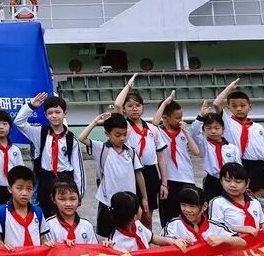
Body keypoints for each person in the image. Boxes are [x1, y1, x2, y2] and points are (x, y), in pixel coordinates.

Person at [15, 92, 84, 218]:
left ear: (65, 113)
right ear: (45, 115)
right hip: (45, 179)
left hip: (65, 179)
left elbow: (78, 169)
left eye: (57, 112)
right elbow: (19, 122)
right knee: (45, 215)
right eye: (50, 113)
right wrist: (31, 106)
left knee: (64, 214)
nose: (54, 116)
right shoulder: (40, 133)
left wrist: (79, 194)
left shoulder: (71, 139)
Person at [78, 112, 148, 238]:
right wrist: (95, 122)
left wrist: (144, 198)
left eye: (124, 134)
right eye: (117, 135)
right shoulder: (101, 148)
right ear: (107, 134)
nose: (122, 138)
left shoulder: (130, 152)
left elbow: (139, 175)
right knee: (107, 236)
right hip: (108, 202)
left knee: (129, 235)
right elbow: (82, 138)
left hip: (129, 202)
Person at [113, 74, 163, 229]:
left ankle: (146, 239)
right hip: (131, 171)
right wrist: (128, 86)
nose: (134, 108)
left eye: (138, 105)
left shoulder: (152, 129)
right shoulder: (124, 126)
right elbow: (117, 104)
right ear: (124, 109)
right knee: (132, 211)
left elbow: (161, 158)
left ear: (143, 107)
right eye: (130, 106)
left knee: (148, 213)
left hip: (150, 172)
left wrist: (164, 182)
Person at [151, 93, 202, 229]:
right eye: (177, 117)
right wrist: (164, 103)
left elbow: (196, 152)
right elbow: (154, 123)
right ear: (165, 117)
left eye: (181, 117)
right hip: (169, 179)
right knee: (169, 215)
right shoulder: (158, 132)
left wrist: (186, 132)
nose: (180, 120)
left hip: (186, 178)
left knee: (188, 215)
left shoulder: (183, 132)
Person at [213, 79, 264, 179]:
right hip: (236, 164)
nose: (239, 109)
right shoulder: (227, 122)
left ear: (250, 107)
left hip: (257, 165)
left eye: (243, 105)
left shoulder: (258, 128)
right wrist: (229, 88)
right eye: (234, 106)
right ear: (228, 108)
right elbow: (216, 104)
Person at [0, 165, 49, 249]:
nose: (24, 193)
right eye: (19, 188)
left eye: (29, 189)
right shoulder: (2, 212)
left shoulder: (38, 212)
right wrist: (2, 246)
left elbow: (43, 237)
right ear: (10, 189)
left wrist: (46, 243)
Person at [191, 107, 241, 200]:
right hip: (212, 180)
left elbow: (238, 166)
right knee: (211, 203)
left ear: (223, 128)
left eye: (217, 128)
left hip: (230, 180)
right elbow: (195, 133)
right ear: (203, 129)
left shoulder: (232, 148)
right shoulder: (204, 144)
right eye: (208, 128)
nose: (213, 131)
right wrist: (201, 116)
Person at [45, 178, 98, 245]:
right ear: (53, 199)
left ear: (79, 199)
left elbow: (95, 249)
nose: (68, 204)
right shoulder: (48, 225)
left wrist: (106, 246)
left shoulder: (86, 225)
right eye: (62, 199)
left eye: (73, 199)